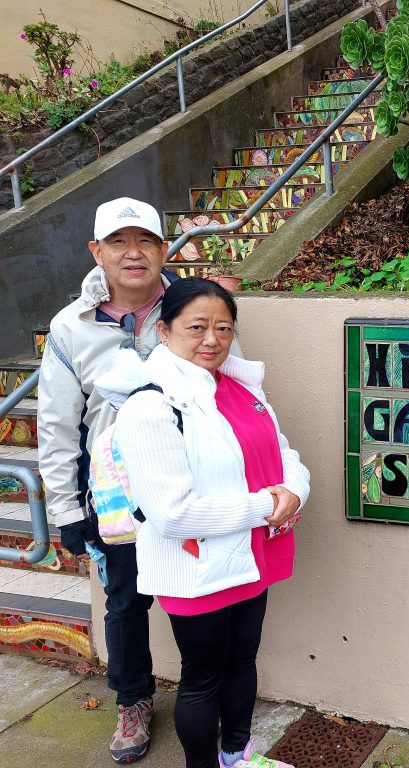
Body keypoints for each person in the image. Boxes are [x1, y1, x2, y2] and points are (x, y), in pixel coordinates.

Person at [95, 277, 309, 768]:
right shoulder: (151, 406)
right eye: (197, 327)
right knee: (202, 678)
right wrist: (264, 506)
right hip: (193, 569)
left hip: (253, 556)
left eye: (223, 328)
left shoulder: (238, 387)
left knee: (243, 660)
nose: (212, 339)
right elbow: (173, 514)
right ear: (164, 331)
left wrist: (294, 490)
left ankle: (238, 755)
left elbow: (284, 453)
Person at [37, 197, 174, 763]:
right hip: (117, 494)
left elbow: (234, 393)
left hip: (189, 481)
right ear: (97, 251)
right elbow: (56, 423)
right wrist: (66, 510)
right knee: (124, 602)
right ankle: (133, 701)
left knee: (208, 595)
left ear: (164, 249)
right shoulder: (71, 326)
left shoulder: (195, 305)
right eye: (118, 241)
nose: (133, 252)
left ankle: (208, 692)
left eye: (145, 239)